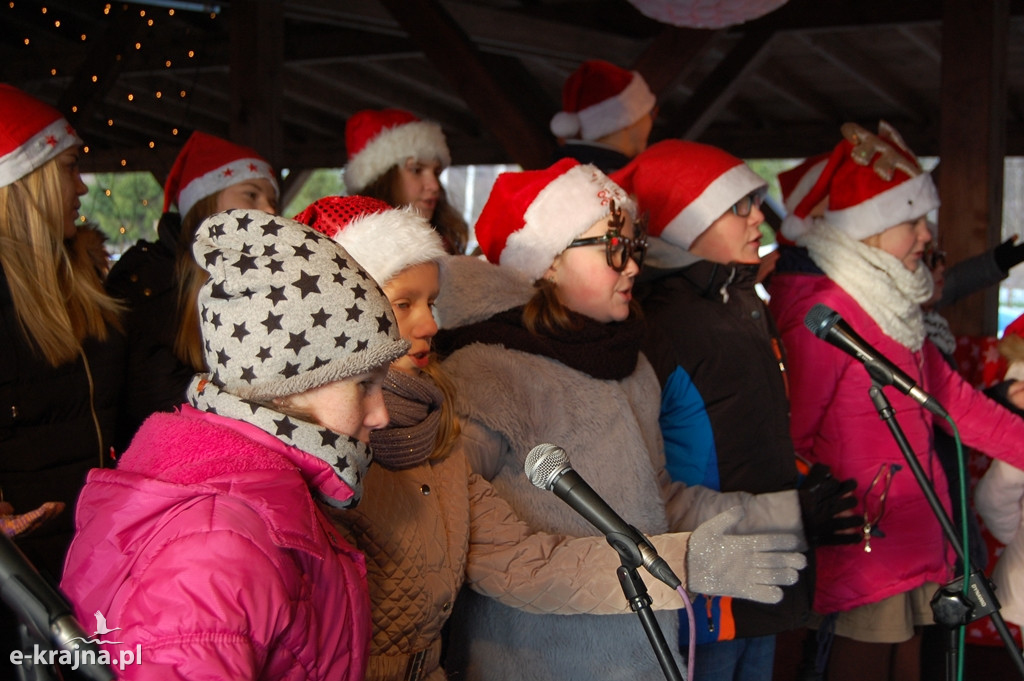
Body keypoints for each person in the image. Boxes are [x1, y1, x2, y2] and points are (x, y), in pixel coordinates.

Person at [433, 158, 811, 681]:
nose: (632, 266)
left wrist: (787, 516)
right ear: (549, 261)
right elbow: (474, 551)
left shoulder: (628, 367)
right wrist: (676, 566)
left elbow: (661, 500)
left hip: (647, 657)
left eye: (635, 248)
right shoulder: (483, 373)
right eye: (614, 248)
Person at [60, 209, 409, 680]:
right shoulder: (215, 550)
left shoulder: (254, 496)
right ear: (284, 384)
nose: (381, 413)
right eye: (364, 385)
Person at [769, 121, 1024, 681]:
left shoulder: (889, 298)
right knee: (862, 664)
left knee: (906, 660)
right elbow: (798, 435)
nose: (926, 235)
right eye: (910, 221)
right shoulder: (828, 308)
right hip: (864, 529)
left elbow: (952, 399)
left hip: (911, 521)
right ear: (867, 230)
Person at [612, 139, 860, 680]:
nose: (757, 220)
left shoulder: (746, 302)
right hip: (703, 592)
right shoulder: (656, 323)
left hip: (766, 575)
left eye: (756, 203)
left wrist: (803, 488)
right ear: (682, 223)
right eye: (738, 206)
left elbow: (758, 432)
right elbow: (647, 480)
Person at [0, 84, 125, 663]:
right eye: (70, 167)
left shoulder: (81, 280)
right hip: (21, 586)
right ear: (25, 182)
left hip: (92, 560)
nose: (82, 186)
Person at [105, 131, 279, 441]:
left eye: (272, 199)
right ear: (205, 204)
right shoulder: (148, 280)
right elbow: (152, 400)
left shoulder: (268, 280)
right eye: (251, 195)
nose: (269, 211)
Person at [344, 108, 468, 254]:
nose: (434, 186)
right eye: (416, 170)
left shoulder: (445, 243)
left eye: (436, 172)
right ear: (383, 180)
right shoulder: (355, 250)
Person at [550, 59, 657, 173]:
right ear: (625, 120)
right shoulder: (620, 185)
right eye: (649, 113)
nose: (651, 123)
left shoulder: (555, 172)